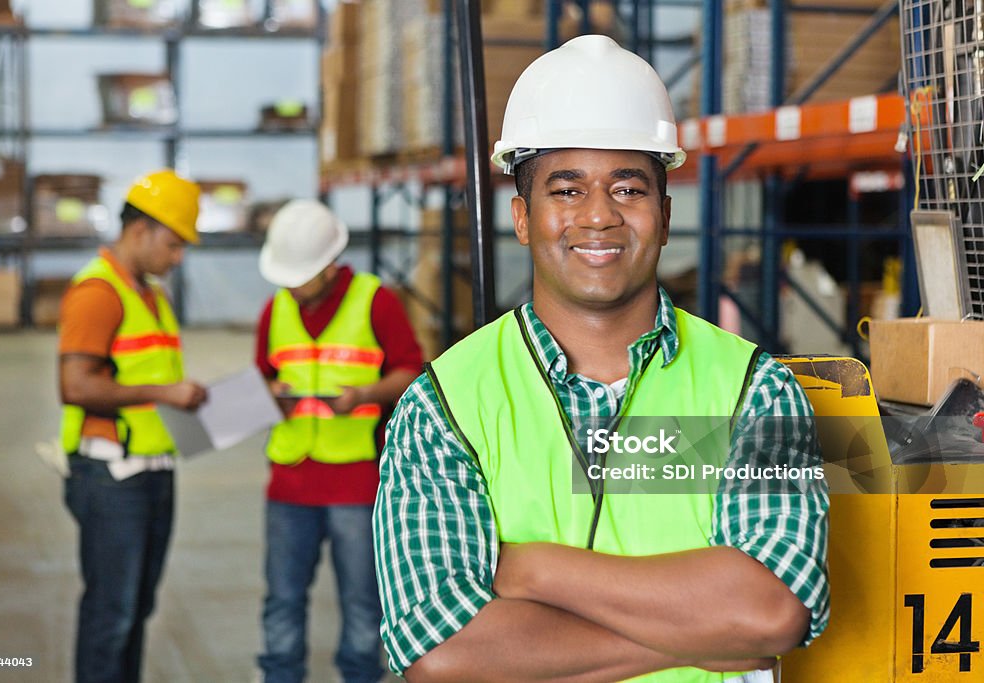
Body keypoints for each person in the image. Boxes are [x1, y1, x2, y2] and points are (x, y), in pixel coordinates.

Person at [373, 35, 829, 683]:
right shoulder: (446, 404)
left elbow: (770, 611)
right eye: (565, 190)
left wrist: (532, 569)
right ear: (522, 217)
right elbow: (442, 654)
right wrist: (695, 637)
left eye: (628, 189)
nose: (598, 216)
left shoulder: (755, 391)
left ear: (664, 216)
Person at [254, 199, 423, 683]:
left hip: (357, 483)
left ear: (329, 266)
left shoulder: (376, 302)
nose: (290, 285)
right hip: (288, 482)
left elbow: (411, 370)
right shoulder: (275, 309)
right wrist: (273, 395)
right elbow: (261, 379)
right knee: (282, 600)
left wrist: (367, 394)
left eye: (299, 275)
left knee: (363, 602)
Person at [58, 169, 209, 683]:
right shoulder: (97, 293)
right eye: (173, 244)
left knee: (136, 611)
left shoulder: (152, 296)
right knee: (112, 616)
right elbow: (75, 387)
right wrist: (165, 393)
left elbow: (148, 379)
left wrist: (184, 398)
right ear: (140, 230)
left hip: (153, 470)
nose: (179, 258)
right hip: (111, 479)